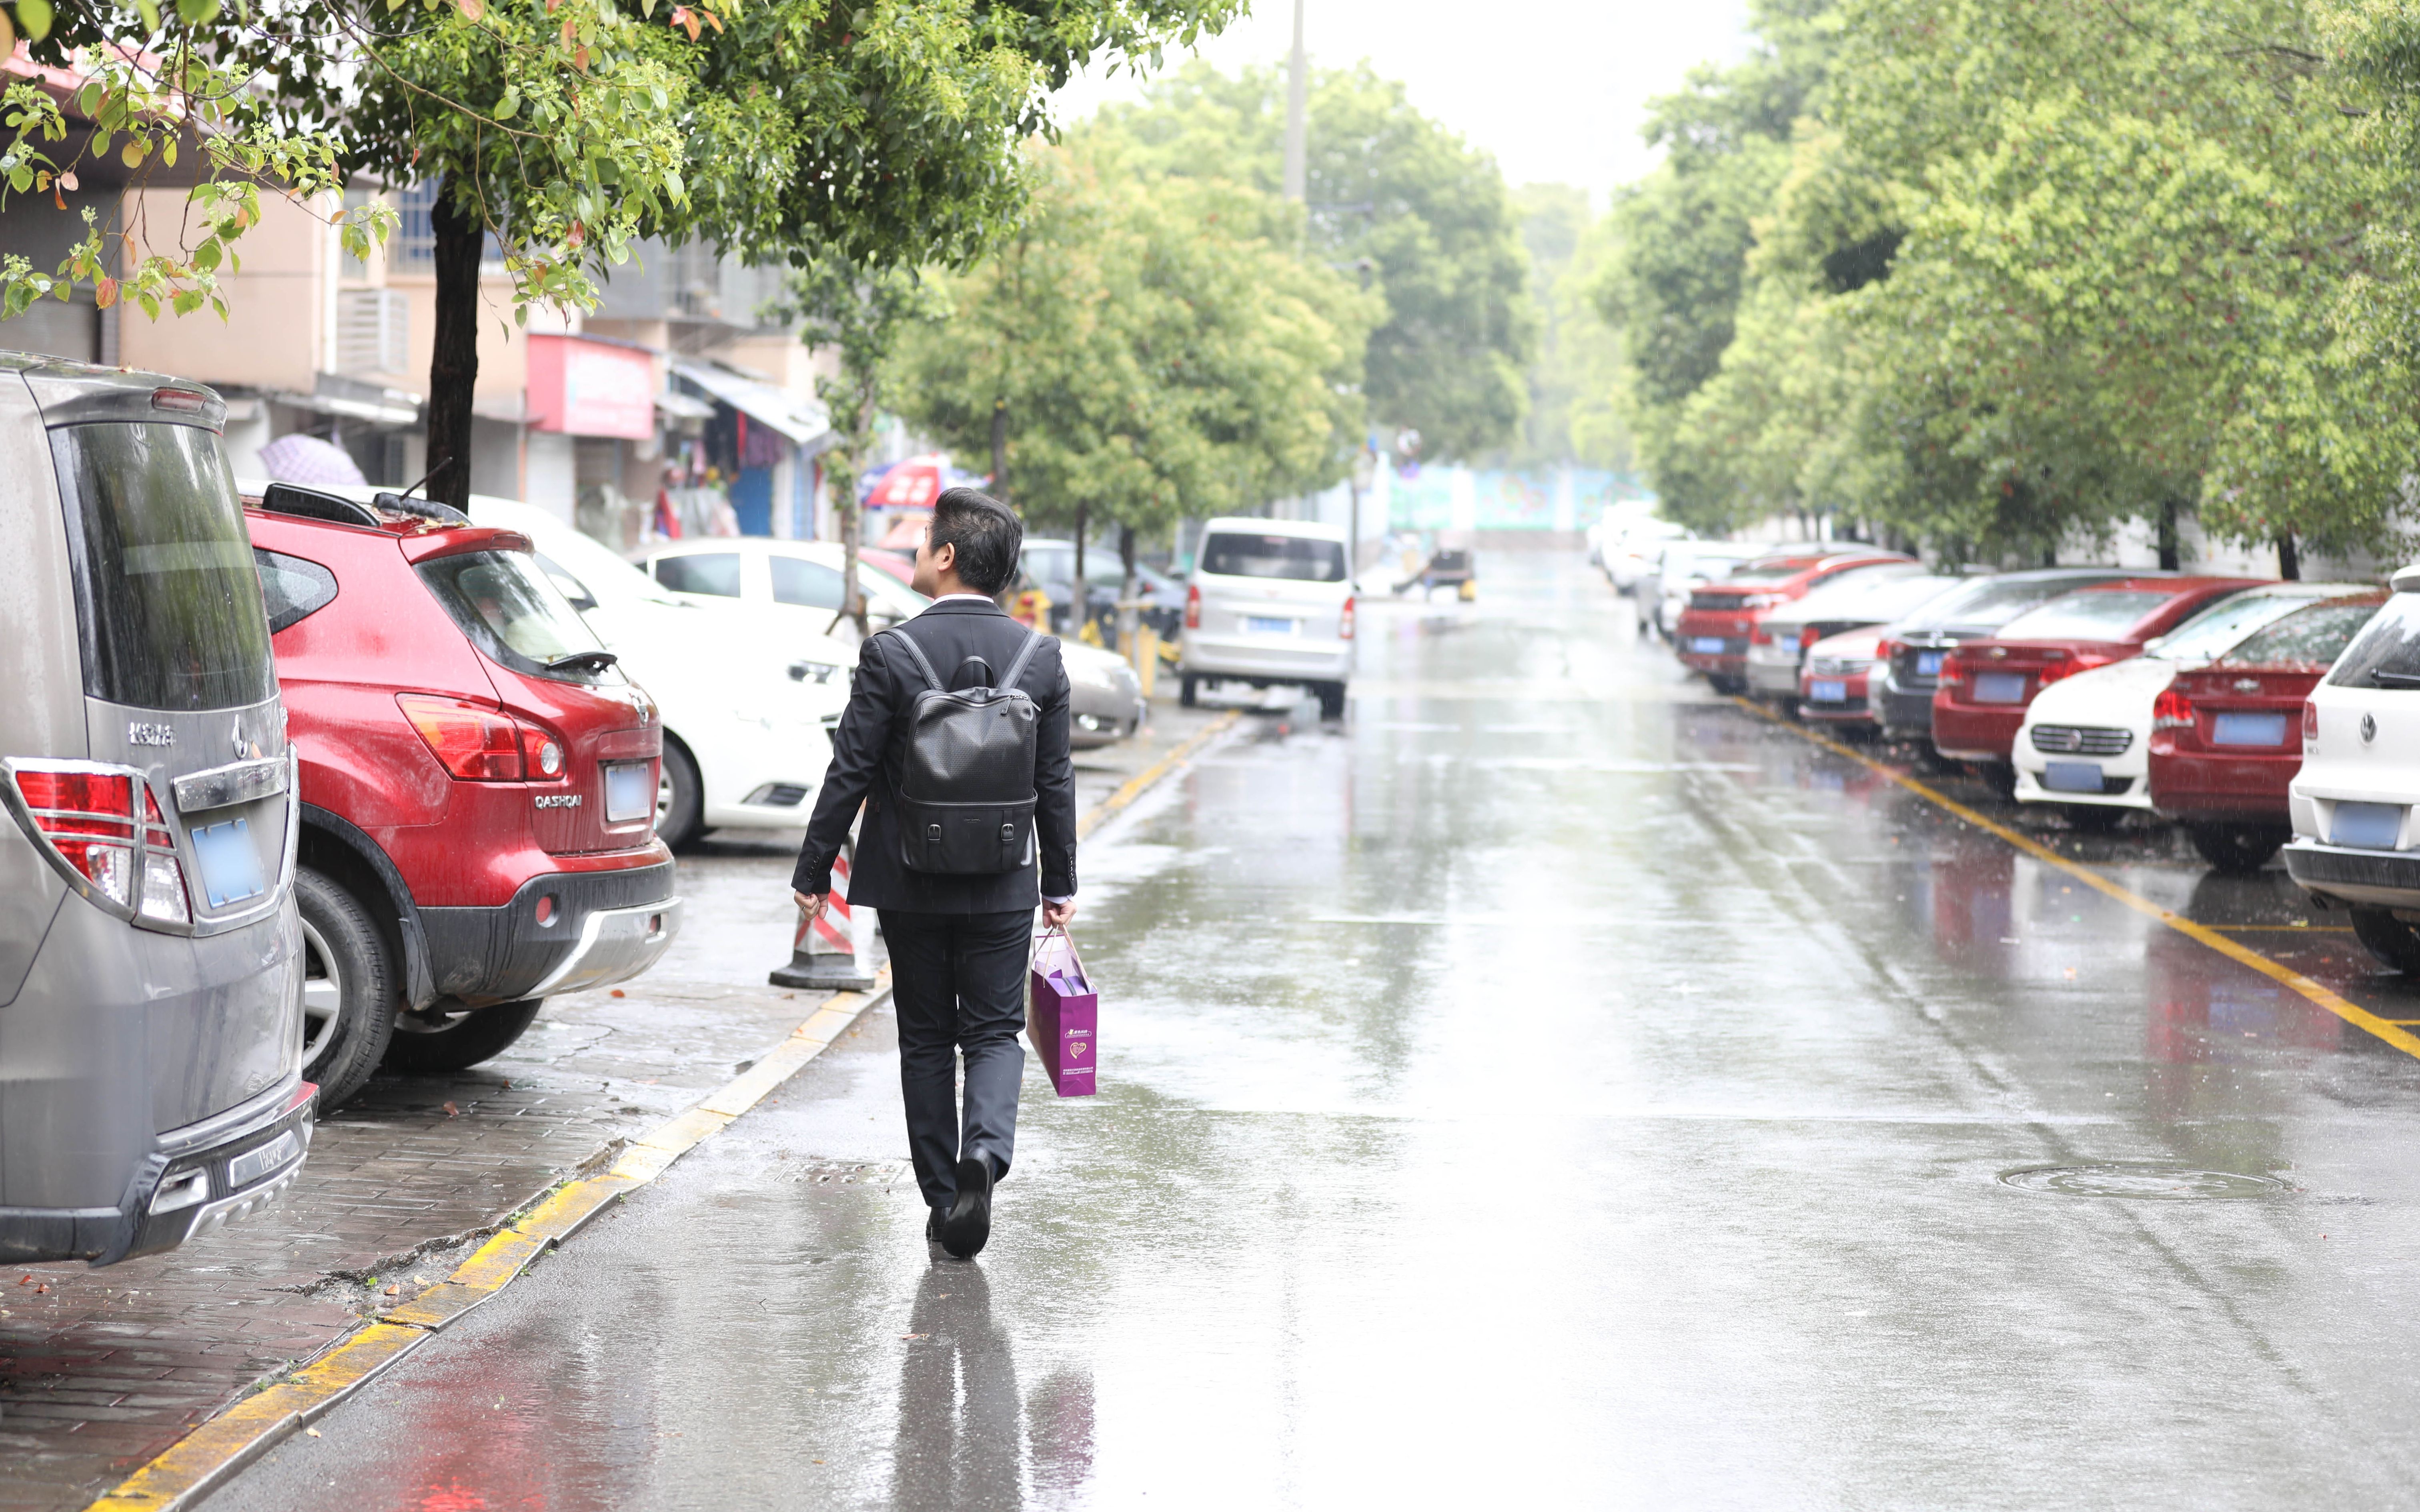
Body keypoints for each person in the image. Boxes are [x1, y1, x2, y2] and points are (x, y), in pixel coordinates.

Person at [793, 488, 1078, 1260]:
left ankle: (945, 1195)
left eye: (923, 540)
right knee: (993, 1030)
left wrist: (815, 867)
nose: (918, 551)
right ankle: (984, 1156)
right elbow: (1054, 782)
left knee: (925, 1038)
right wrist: (1060, 884)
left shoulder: (892, 653)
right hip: (1004, 877)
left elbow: (849, 770)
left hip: (908, 878)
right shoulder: (1039, 658)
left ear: (947, 556)